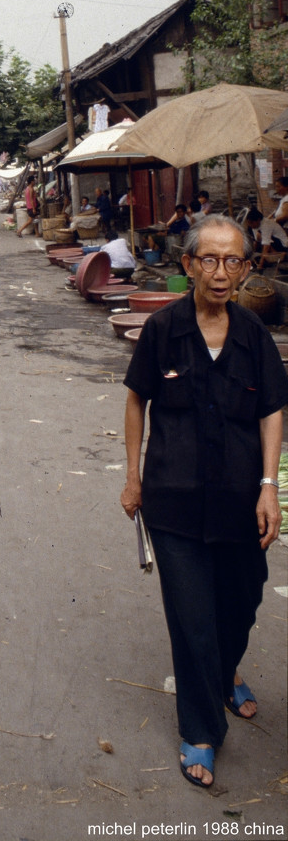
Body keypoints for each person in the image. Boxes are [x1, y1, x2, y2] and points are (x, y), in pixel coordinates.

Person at [121, 215, 288, 789]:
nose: (222, 273)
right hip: (173, 498)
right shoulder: (163, 330)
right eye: (210, 260)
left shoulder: (254, 335)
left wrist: (270, 486)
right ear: (188, 265)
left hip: (242, 498)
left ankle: (225, 672)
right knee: (191, 619)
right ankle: (199, 729)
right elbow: (137, 401)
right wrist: (131, 476)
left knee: (242, 600)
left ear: (247, 267)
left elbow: (271, 410)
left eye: (234, 261)